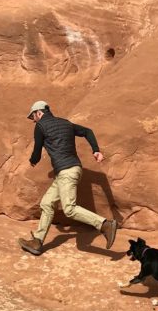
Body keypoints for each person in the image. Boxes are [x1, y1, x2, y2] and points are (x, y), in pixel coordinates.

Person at [18, 100, 118, 256]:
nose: (33, 121)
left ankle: (105, 224)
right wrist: (96, 150)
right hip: (71, 170)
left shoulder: (40, 126)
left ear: (39, 113)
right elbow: (88, 131)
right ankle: (37, 241)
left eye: (33, 117)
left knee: (69, 209)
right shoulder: (66, 123)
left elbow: (37, 150)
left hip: (66, 172)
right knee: (47, 203)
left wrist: (33, 161)